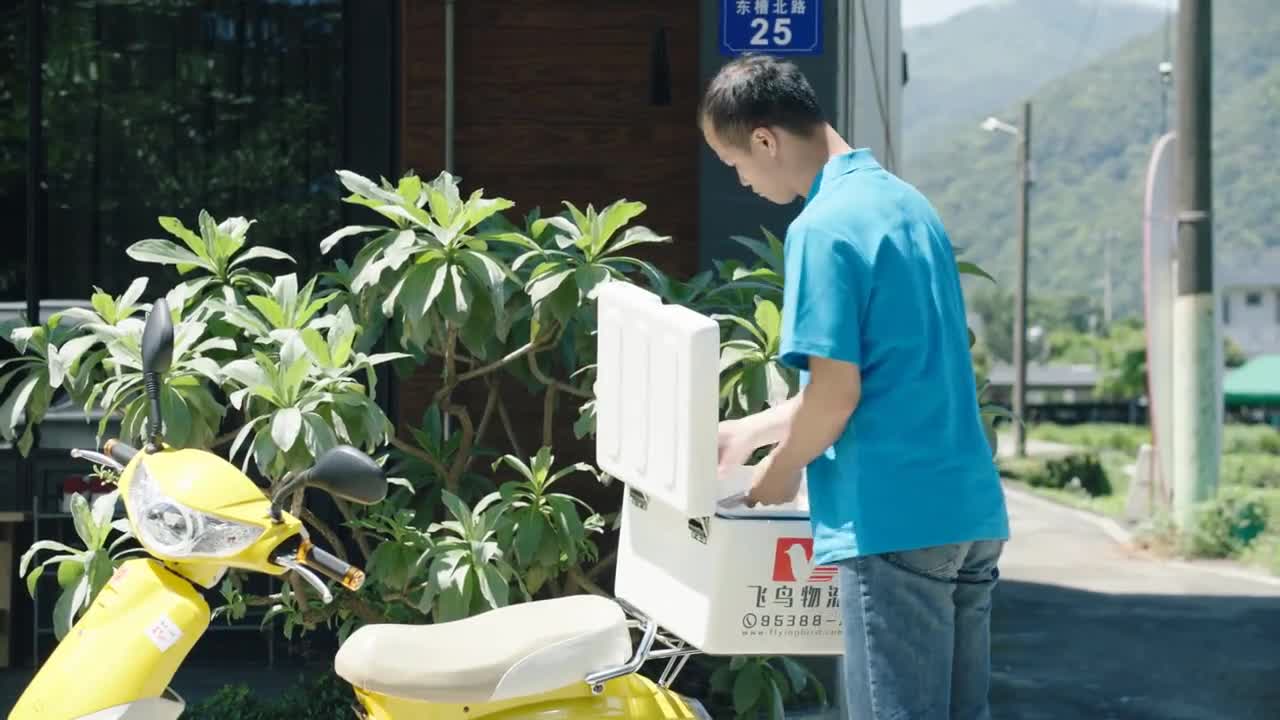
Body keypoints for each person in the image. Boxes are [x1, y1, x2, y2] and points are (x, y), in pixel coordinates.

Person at [699, 54, 1011, 720]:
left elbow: (835, 395)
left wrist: (784, 467)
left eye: (734, 163)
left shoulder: (821, 227)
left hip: (892, 519)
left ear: (764, 140)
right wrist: (752, 431)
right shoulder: (907, 204)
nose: (742, 180)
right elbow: (884, 372)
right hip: (967, 509)